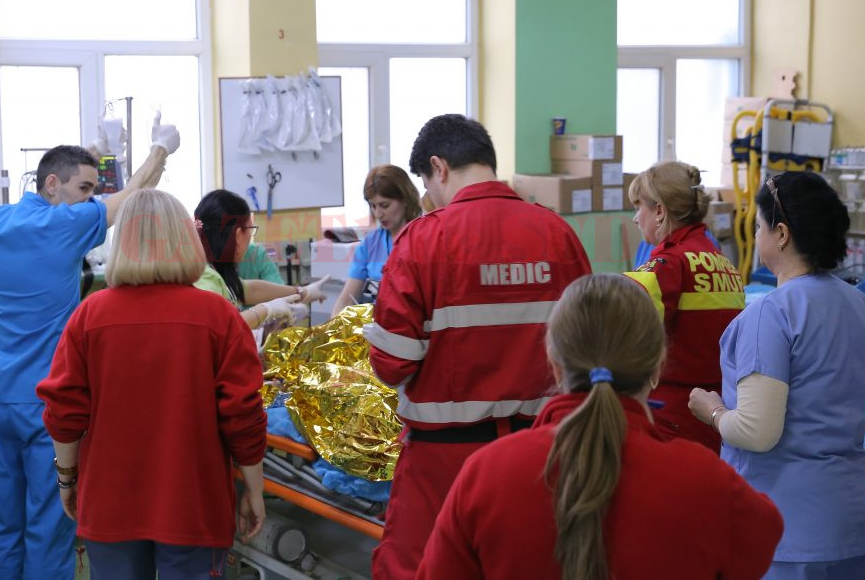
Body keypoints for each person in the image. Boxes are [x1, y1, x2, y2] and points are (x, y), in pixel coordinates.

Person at [418, 274, 784, 579]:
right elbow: (763, 536)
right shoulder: (704, 479)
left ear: (555, 365)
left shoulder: (488, 474)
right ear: (657, 367)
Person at [364, 113, 592, 580]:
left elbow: (392, 363)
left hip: (445, 462)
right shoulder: (559, 234)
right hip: (543, 454)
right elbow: (589, 347)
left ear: (438, 167)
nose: (430, 195)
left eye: (427, 182)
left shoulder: (423, 239)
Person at [0, 122, 180, 580]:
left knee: (3, 522)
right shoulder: (63, 225)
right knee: (49, 526)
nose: (91, 197)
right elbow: (131, 197)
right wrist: (159, 150)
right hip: (41, 404)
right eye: (85, 188)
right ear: (52, 185)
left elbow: (67, 182)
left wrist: (93, 152)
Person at [37, 189, 266, 579]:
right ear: (184, 239)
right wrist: (254, 490)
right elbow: (243, 413)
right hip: (193, 503)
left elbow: (63, 410)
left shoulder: (89, 316)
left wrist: (67, 478)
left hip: (110, 501)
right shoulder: (219, 317)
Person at [689, 171, 865, 579]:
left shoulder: (771, 313)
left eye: (760, 227)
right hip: (849, 522)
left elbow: (756, 432)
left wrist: (711, 410)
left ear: (780, 234)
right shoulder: (861, 306)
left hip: (786, 531)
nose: (758, 236)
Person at [624, 161, 744, 452]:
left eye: (639, 206)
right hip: (717, 411)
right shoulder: (725, 264)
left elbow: (617, 326)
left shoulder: (666, 265)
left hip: (671, 416)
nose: (635, 218)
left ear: (660, 211)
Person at [193, 189, 328, 329]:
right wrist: (265, 310)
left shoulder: (213, 270)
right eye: (250, 230)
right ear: (239, 236)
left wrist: (303, 292)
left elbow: (249, 290)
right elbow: (223, 327)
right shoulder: (206, 281)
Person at [331, 164, 422, 317]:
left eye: (384, 205)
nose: (378, 214)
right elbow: (346, 301)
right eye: (373, 206)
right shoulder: (370, 244)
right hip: (375, 330)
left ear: (405, 200)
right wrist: (331, 332)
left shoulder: (423, 238)